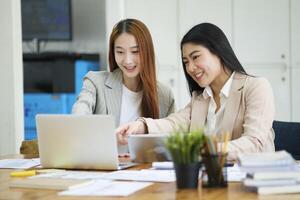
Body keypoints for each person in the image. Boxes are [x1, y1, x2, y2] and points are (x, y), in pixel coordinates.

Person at [116, 23, 275, 160]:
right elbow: (175, 123)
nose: (190, 68)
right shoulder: (200, 98)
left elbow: (254, 143)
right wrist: (141, 126)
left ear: (218, 52)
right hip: (211, 182)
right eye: (186, 62)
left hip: (251, 184)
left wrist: (204, 151)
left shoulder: (255, 87)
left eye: (196, 57)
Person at [20, 18, 175, 156]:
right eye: (120, 52)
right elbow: (79, 116)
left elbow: (171, 141)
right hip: (103, 173)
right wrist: (105, 137)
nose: (128, 60)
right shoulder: (95, 82)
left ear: (147, 52)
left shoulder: (164, 95)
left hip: (145, 175)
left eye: (135, 52)